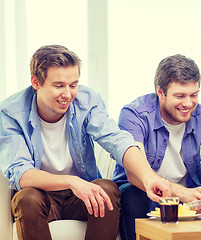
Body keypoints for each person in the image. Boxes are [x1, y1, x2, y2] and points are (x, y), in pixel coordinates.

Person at [0, 45, 171, 240]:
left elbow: (117, 140)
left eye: (73, 85)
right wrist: (71, 181)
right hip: (41, 196)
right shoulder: (10, 113)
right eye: (59, 85)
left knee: (107, 189)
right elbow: (21, 174)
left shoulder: (87, 101)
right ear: (36, 82)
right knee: (26, 199)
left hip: (81, 197)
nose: (68, 94)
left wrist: (149, 177)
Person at [112, 54, 201, 240]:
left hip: (190, 189)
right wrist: (181, 194)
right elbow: (136, 175)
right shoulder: (134, 114)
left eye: (193, 95)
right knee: (132, 196)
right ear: (160, 92)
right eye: (180, 96)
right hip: (143, 192)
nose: (188, 103)